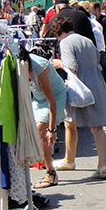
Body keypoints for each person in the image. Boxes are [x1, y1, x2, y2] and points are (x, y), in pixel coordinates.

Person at [55, 16, 106, 178]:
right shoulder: (87, 40)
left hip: (79, 88)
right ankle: (102, 165)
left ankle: (69, 160)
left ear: (59, 32)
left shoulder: (65, 43)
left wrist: (58, 64)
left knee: (69, 122)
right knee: (97, 128)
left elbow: (71, 68)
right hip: (97, 84)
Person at [28, 47, 65, 189]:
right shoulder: (16, 67)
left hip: (55, 96)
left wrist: (52, 129)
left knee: (41, 130)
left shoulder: (40, 69)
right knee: (34, 131)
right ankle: (43, 160)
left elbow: (51, 102)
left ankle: (51, 173)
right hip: (37, 99)